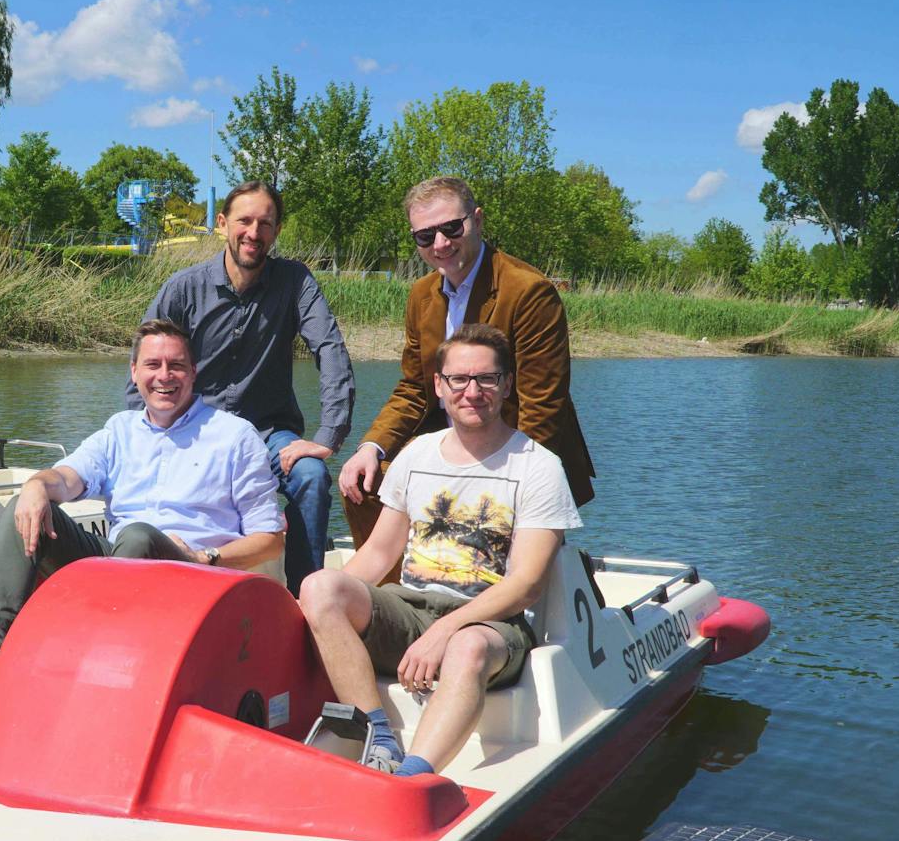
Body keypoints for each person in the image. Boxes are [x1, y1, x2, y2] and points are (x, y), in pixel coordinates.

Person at [0, 318, 285, 677]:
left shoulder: (235, 436)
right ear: (134, 372)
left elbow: (270, 541)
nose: (165, 376)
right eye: (153, 364)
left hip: (194, 573)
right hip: (121, 563)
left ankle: (97, 657)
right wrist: (37, 486)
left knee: (136, 534)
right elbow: (67, 479)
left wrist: (204, 557)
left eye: (177, 365)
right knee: (26, 508)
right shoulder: (119, 431)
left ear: (194, 373)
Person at [300, 324, 581, 776]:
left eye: (486, 379)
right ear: (439, 385)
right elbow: (377, 555)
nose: (472, 391)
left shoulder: (539, 467)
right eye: (459, 379)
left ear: (506, 384)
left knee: (466, 647)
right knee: (320, 587)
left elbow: (526, 586)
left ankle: (414, 776)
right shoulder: (416, 455)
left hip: (492, 626)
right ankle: (379, 739)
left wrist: (445, 631)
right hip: (411, 611)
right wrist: (310, 611)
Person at [338, 176, 593, 566]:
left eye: (450, 228)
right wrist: (370, 447)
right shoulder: (421, 295)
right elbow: (414, 389)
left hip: (516, 450)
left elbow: (542, 408)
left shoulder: (528, 292)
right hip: (450, 443)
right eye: (425, 237)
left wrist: (492, 478)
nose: (440, 244)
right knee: (364, 482)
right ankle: (393, 606)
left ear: (476, 219)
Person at [135, 181, 353, 593]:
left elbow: (330, 348)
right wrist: (144, 438)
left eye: (265, 223)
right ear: (222, 224)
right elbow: (146, 364)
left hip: (268, 434)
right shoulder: (183, 288)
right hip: (196, 433)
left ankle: (306, 603)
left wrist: (328, 436)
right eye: (245, 221)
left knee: (311, 476)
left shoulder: (294, 282)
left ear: (277, 230)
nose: (254, 232)